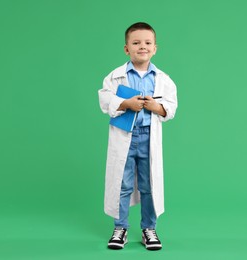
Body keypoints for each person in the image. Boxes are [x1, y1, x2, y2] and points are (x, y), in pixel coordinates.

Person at [98, 22, 178, 251]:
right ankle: (120, 227)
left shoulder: (163, 79)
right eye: (136, 43)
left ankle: (148, 229)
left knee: (149, 184)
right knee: (121, 184)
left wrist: (156, 107)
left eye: (147, 43)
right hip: (125, 135)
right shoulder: (115, 77)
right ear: (126, 49)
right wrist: (125, 103)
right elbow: (104, 100)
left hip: (148, 137)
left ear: (155, 48)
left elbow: (171, 108)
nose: (142, 46)